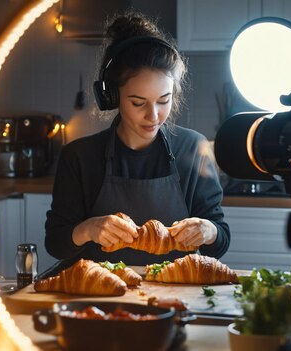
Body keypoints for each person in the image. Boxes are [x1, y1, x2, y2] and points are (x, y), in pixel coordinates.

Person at [44, 10, 230, 267]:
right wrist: (87, 229)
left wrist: (209, 231)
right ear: (111, 96)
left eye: (164, 100)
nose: (153, 115)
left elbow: (220, 241)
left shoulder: (194, 149)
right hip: (102, 302)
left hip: (176, 296)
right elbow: (55, 243)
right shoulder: (80, 157)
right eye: (137, 102)